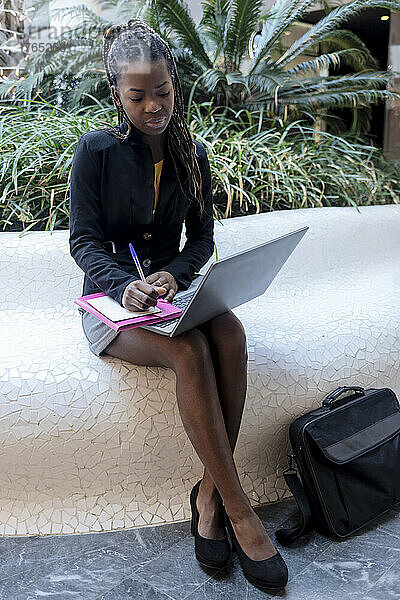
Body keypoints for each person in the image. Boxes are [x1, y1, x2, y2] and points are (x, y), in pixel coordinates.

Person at [69, 18, 288, 591]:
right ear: (116, 93)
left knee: (232, 335)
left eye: (162, 92)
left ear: (175, 86)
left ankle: (210, 494)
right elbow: (84, 242)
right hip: (113, 303)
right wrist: (125, 286)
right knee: (190, 352)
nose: (152, 107)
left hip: (174, 292)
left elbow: (203, 240)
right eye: (137, 96)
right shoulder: (94, 153)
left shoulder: (191, 152)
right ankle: (238, 511)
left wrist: (173, 273)